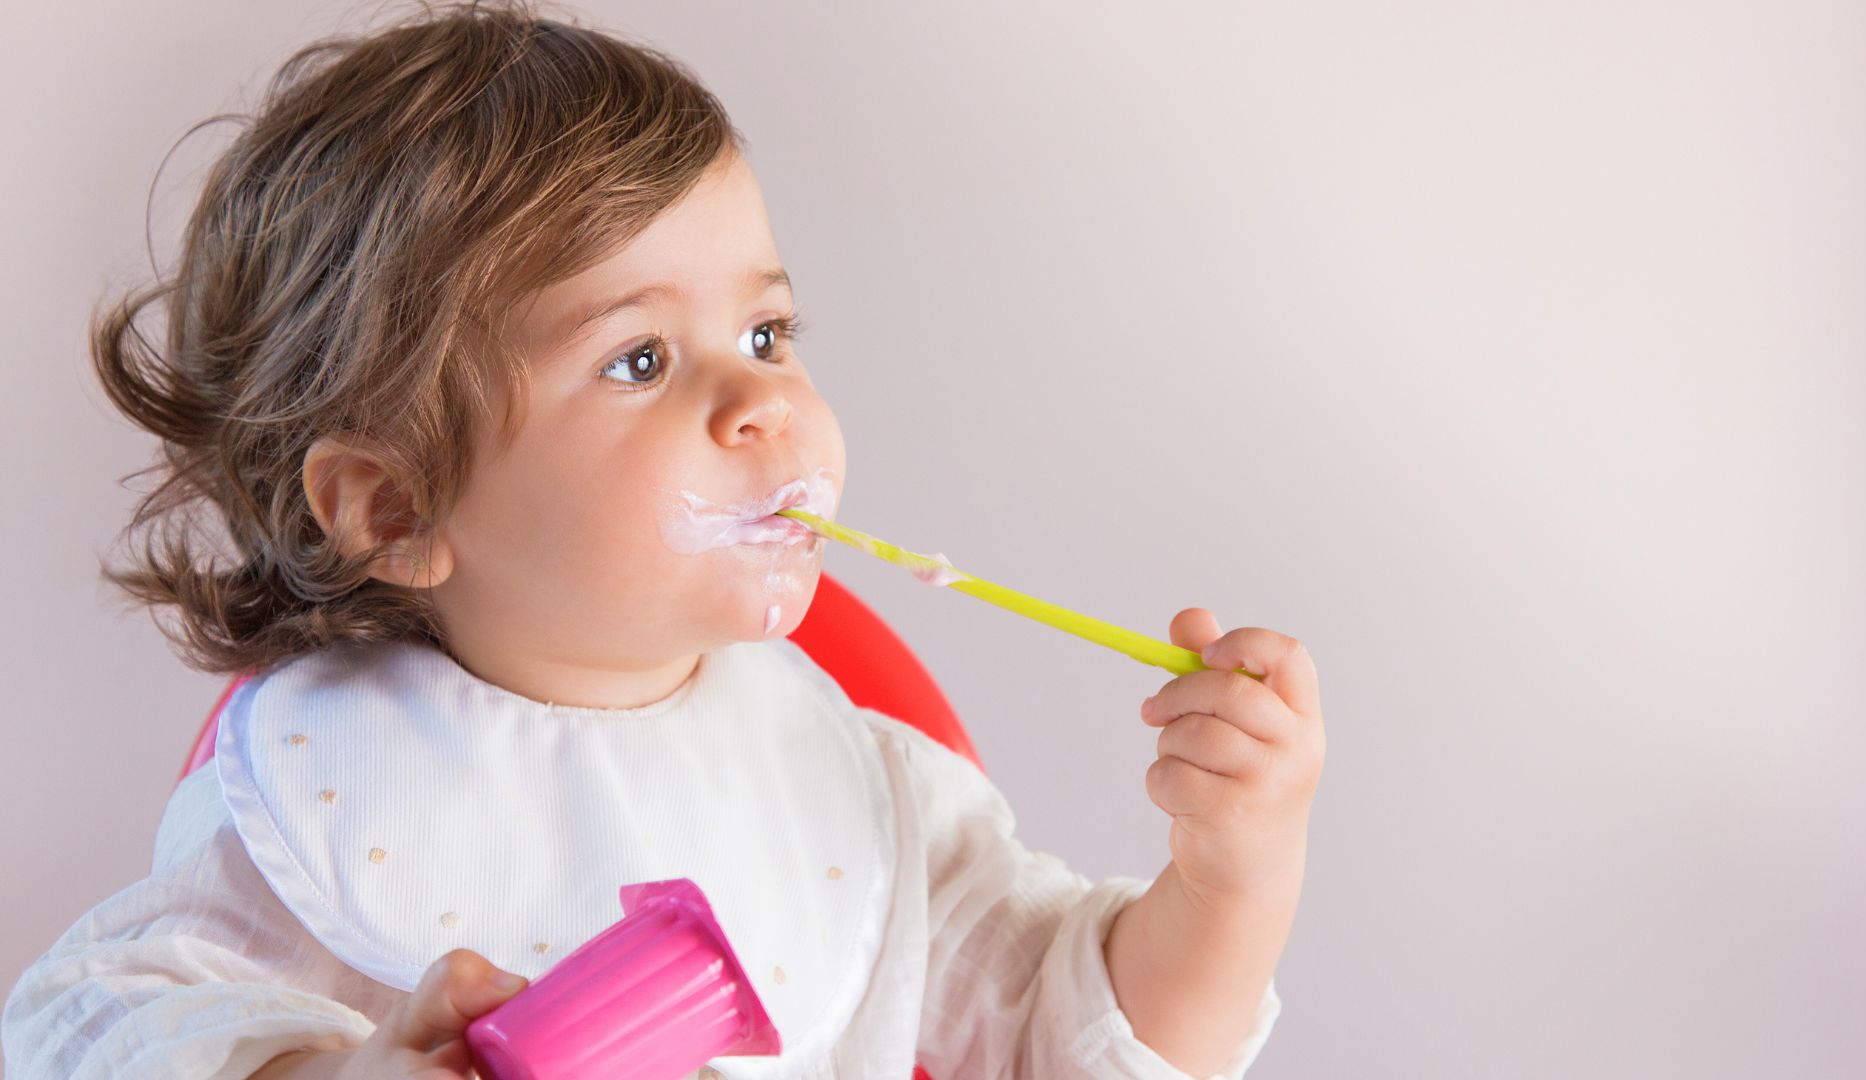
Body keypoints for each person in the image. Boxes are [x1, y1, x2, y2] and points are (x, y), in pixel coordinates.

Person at [2, 2, 1320, 1076]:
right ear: (397, 510)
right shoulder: (339, 783)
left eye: (766, 335)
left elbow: (1089, 1035)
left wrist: (1232, 871)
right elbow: (81, 1030)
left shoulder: (855, 785)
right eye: (639, 358)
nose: (761, 402)